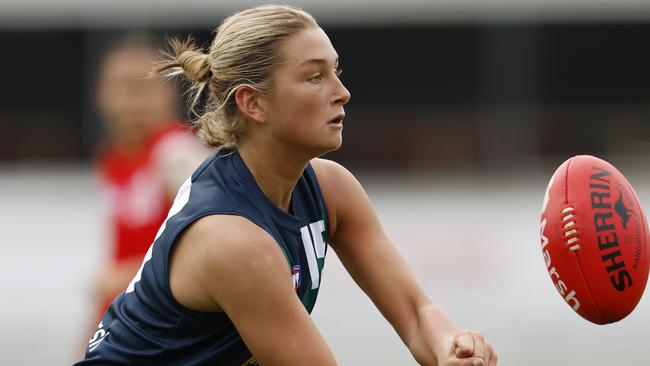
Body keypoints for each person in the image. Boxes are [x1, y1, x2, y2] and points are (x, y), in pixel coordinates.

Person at [77, 5, 497, 366]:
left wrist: (449, 348)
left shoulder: (333, 191)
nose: (343, 92)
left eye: (336, 71)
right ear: (252, 102)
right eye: (314, 77)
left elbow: (417, 313)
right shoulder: (234, 241)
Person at [90, 35, 208, 324]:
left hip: (166, 325)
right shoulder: (111, 157)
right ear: (100, 95)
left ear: (169, 91)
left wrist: (128, 273)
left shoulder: (178, 153)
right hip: (124, 320)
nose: (133, 99)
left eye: (144, 85)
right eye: (123, 86)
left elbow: (212, 247)